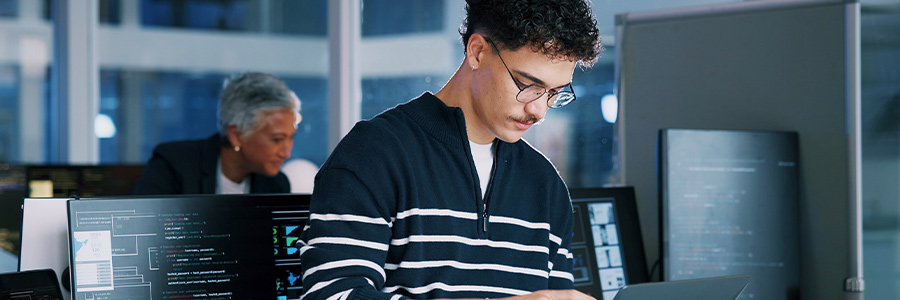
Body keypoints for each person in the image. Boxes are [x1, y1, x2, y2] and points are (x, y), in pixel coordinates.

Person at [299, 0, 603, 299]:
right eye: (528, 85)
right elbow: (332, 294)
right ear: (477, 52)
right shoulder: (374, 153)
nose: (539, 110)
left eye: (554, 93)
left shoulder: (546, 185)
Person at [133, 72, 300, 195]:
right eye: (277, 139)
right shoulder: (174, 164)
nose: (286, 153)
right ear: (236, 135)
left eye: (291, 137)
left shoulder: (277, 184)